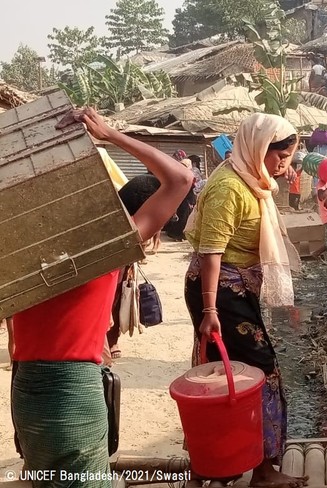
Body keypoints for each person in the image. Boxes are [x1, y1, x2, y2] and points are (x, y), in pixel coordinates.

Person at [11, 107, 193, 488]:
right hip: (72, 392)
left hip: (25, 389)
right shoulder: (106, 248)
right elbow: (180, 178)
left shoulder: (21, 248)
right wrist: (109, 134)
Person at [184, 113, 306, 488]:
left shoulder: (255, 182)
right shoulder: (229, 188)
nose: (283, 164)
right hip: (219, 290)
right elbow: (211, 252)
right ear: (257, 149)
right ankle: (260, 469)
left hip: (236, 287)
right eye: (278, 156)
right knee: (258, 372)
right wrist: (209, 311)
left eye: (289, 156)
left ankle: (220, 466)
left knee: (227, 377)